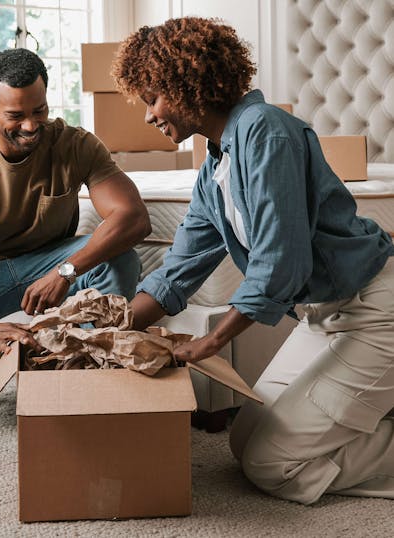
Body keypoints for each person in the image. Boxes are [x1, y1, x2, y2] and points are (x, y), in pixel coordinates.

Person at [111, 17, 394, 504]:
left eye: (153, 97)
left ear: (188, 82)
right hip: (326, 316)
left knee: (271, 463)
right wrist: (107, 333)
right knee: (244, 440)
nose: (148, 115)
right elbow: (178, 270)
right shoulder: (215, 164)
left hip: (376, 311)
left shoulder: (266, 132)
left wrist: (212, 343)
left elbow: (279, 263)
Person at [0, 48, 151, 411]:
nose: (31, 125)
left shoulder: (76, 144)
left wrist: (66, 272)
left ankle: (76, 362)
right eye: (15, 115)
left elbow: (133, 218)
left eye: (39, 111)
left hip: (49, 262)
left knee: (120, 262)